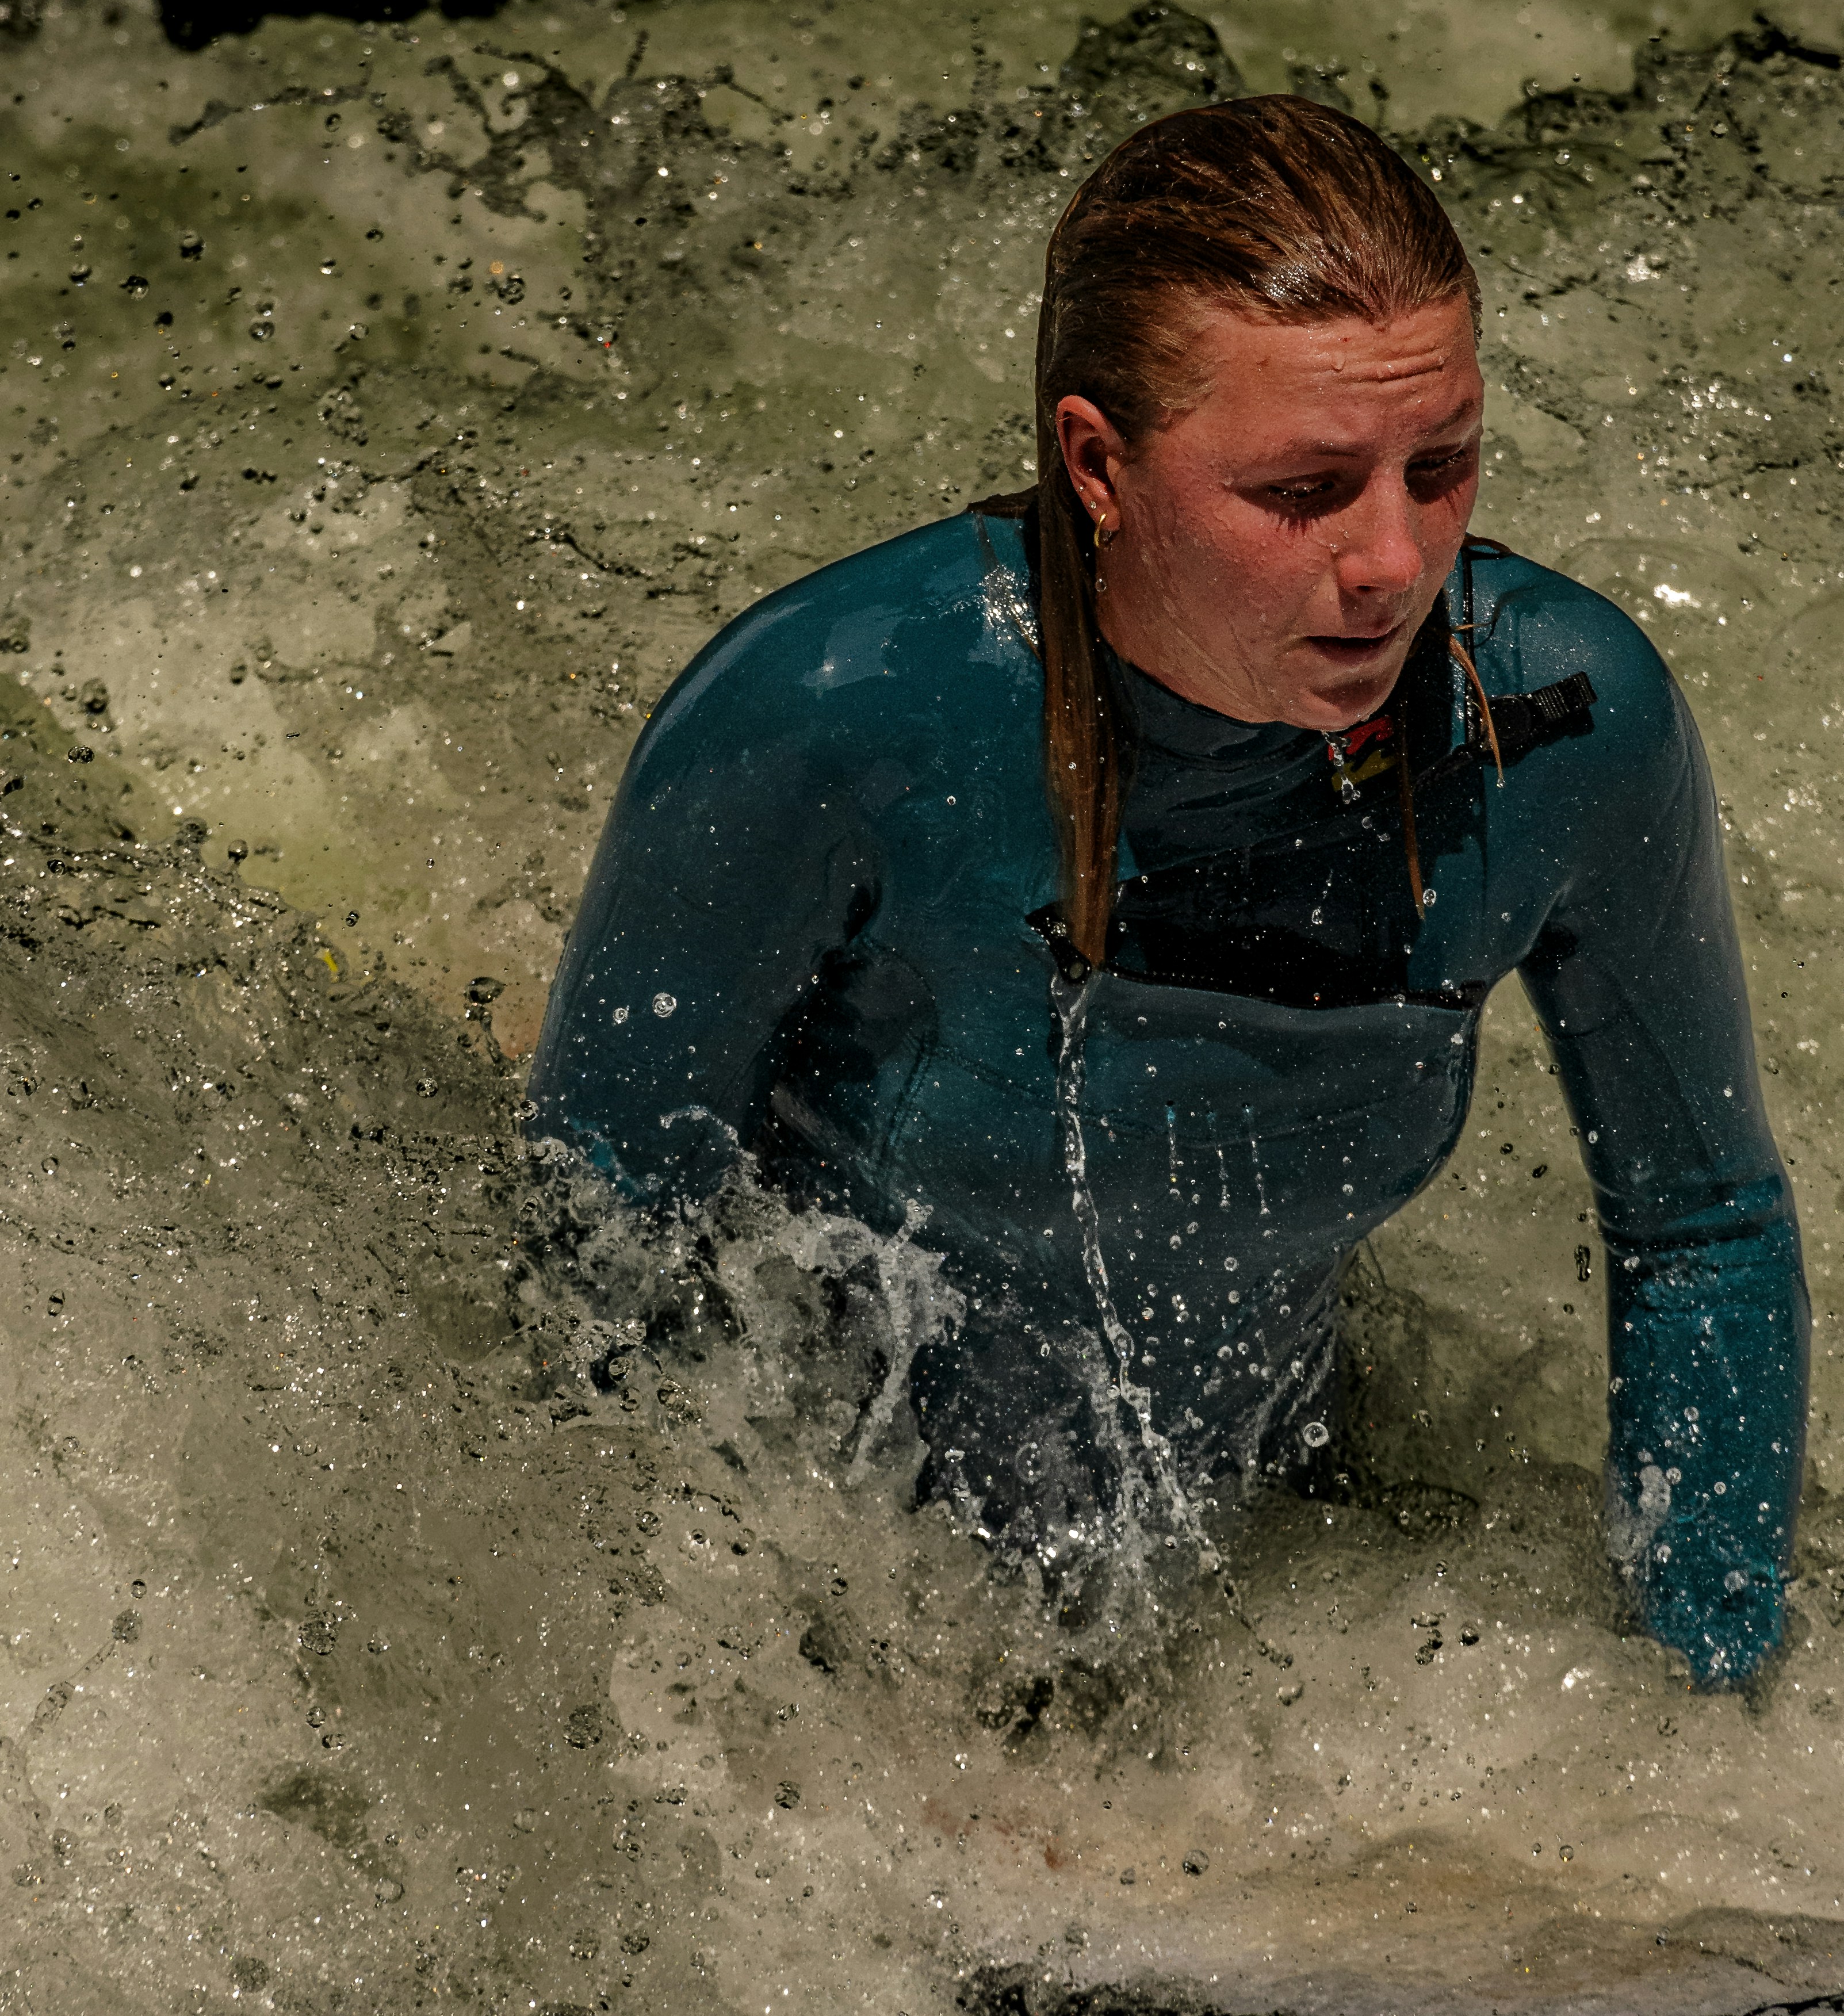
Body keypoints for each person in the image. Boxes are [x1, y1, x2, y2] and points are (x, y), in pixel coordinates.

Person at [530, 97, 1805, 1689]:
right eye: (1306, 491)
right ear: (1099, 464)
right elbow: (597, 1256)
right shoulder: (829, 717)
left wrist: (1705, 1701)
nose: (1397, 561)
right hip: (854, 1610)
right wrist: (752, 1707)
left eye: (1445, 465)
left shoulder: (1557, 727)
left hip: (1274, 1574)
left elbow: (1702, 1228)